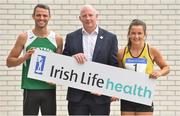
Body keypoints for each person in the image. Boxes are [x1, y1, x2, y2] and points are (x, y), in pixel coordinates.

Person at [6, 4, 63, 115]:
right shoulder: (24, 37)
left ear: (49, 17)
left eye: (45, 15)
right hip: (30, 88)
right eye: (38, 15)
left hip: (49, 88)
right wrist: (25, 57)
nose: (41, 18)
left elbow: (59, 66)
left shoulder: (57, 39)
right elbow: (9, 62)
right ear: (33, 16)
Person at [63, 5, 118, 115]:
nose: (88, 18)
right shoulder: (71, 37)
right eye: (84, 16)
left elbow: (113, 65)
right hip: (77, 95)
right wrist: (72, 58)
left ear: (96, 16)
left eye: (90, 15)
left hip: (100, 94)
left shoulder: (110, 38)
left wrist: (112, 90)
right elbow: (63, 60)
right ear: (80, 18)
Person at [117, 19, 170, 116]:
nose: (136, 36)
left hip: (144, 95)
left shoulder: (152, 51)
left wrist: (159, 73)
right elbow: (119, 74)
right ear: (128, 34)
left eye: (139, 33)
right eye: (133, 33)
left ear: (145, 35)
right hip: (127, 95)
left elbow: (166, 68)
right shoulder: (121, 53)